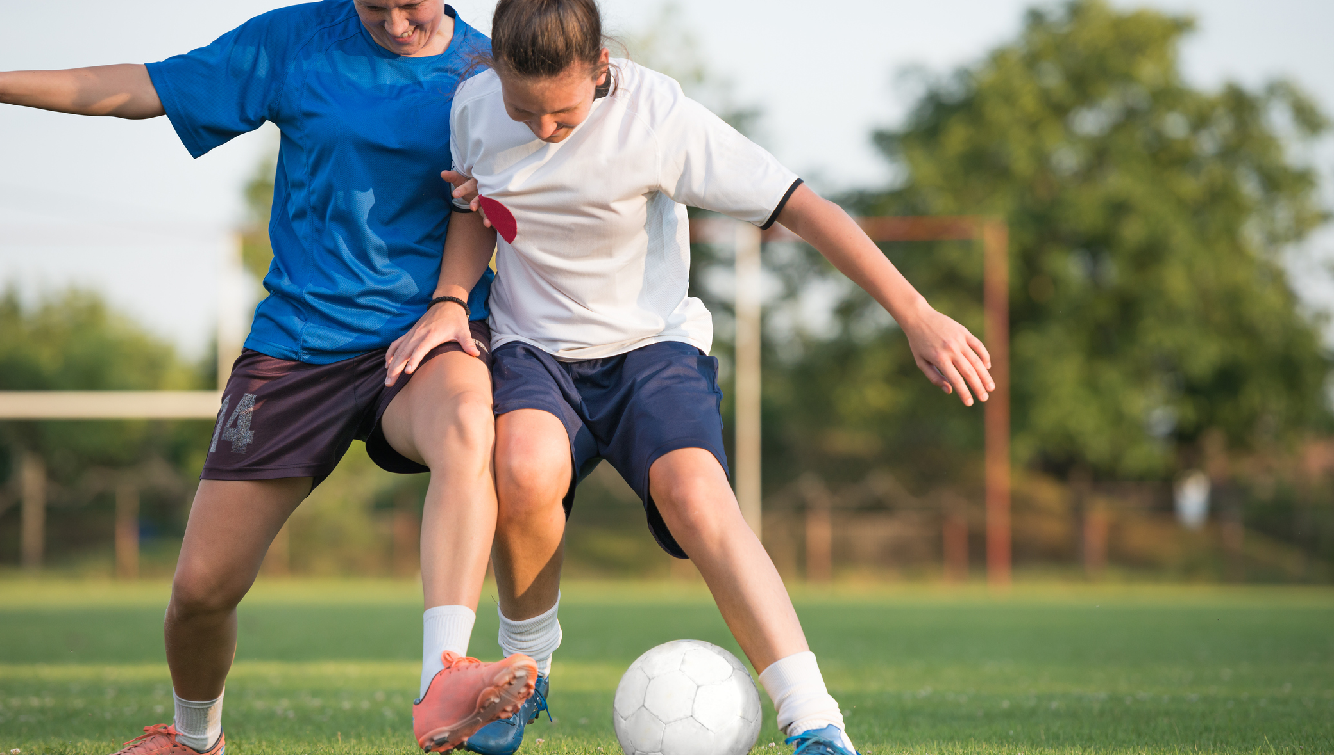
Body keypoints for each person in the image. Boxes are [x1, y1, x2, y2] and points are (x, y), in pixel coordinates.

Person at [386, 1, 997, 754]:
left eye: (563, 112)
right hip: (535, 348)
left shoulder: (659, 116)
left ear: (601, 68)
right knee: (522, 466)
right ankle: (526, 676)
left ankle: (815, 719)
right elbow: (476, 206)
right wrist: (450, 298)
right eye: (525, 108)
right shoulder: (475, 105)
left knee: (695, 493)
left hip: (651, 349)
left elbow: (803, 207)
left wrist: (916, 312)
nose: (542, 128)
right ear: (497, 75)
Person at [0, 3, 537, 754]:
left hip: (422, 337)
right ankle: (194, 738)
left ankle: (442, 676)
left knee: (466, 421)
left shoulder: (486, 73)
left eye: (409, 2)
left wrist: (455, 300)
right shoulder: (294, 42)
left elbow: (517, 181)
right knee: (199, 592)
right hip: (298, 346)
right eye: (373, 4)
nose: (394, 20)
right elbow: (144, 86)